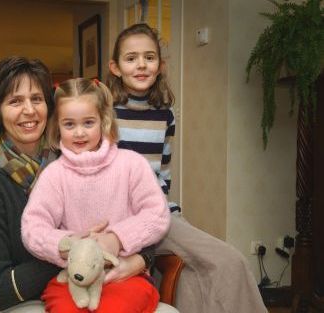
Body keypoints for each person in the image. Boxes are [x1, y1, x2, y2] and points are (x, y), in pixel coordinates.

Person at [107, 23, 267, 313]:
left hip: (159, 215)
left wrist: (170, 215)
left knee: (197, 277)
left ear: (160, 64)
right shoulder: (104, 113)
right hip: (123, 220)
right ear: (115, 67)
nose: (141, 65)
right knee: (231, 261)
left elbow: (163, 174)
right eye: (131, 58)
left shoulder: (165, 113)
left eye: (149, 57)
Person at [20, 77, 171, 313]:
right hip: (74, 279)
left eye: (88, 122)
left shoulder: (131, 164)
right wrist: (68, 244)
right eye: (69, 124)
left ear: (104, 121)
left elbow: (157, 215)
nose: (79, 132)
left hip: (124, 275)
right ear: (57, 127)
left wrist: (116, 238)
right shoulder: (54, 175)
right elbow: (32, 227)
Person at [0, 56, 60, 313]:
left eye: (37, 99)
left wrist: (141, 257)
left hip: (69, 290)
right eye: (15, 101)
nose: (29, 110)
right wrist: (69, 255)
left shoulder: (70, 164)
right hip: (10, 304)